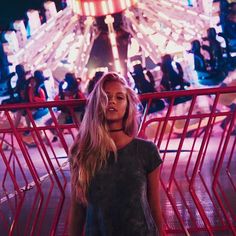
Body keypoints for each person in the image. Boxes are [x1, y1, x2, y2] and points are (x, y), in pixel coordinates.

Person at [69, 72, 163, 236]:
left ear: (128, 105)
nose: (112, 101)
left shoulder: (147, 151)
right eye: (106, 96)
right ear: (97, 103)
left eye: (119, 97)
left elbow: (154, 206)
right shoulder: (82, 152)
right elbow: (78, 212)